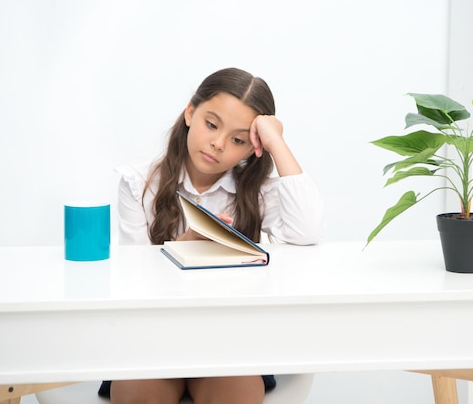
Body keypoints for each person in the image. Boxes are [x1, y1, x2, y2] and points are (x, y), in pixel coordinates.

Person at [100, 67, 324, 404]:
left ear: (252, 148)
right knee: (139, 394)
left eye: (237, 140)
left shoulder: (258, 192)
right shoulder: (139, 182)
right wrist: (180, 250)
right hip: (152, 336)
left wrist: (276, 140)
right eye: (211, 125)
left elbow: (306, 230)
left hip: (230, 338)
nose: (218, 144)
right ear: (190, 112)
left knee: (234, 392)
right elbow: (131, 280)